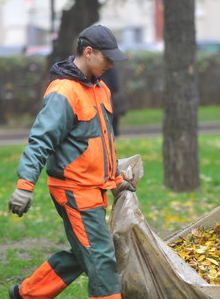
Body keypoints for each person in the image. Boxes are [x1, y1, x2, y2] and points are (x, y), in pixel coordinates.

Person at [7, 24, 135, 299]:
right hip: (74, 191)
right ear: (88, 52)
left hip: (94, 188)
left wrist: (117, 181)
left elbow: (103, 144)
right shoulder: (64, 92)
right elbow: (40, 140)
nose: (111, 64)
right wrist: (24, 185)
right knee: (102, 259)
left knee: (85, 251)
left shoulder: (100, 89)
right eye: (107, 57)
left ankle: (27, 294)